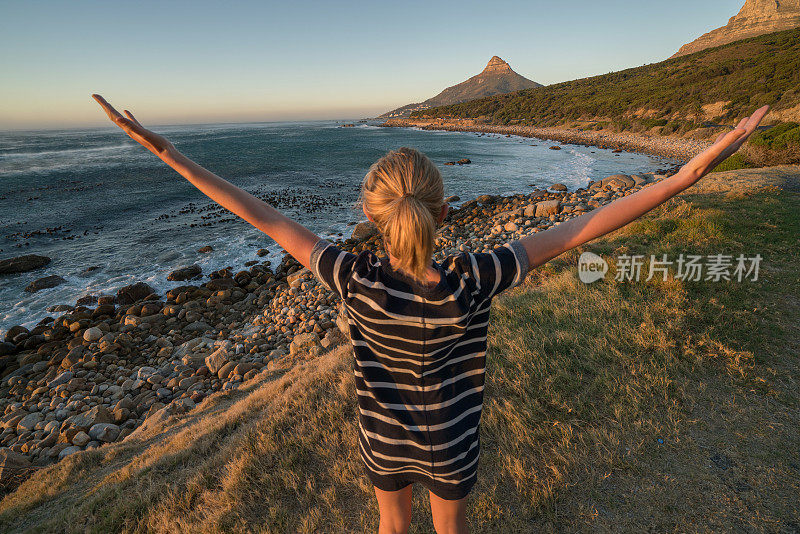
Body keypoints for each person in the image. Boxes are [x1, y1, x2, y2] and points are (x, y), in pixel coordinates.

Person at [91, 94, 768, 534]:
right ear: (446, 214)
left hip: (384, 440)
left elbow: (261, 216)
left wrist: (166, 151)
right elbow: (585, 229)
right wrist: (686, 175)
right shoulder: (476, 277)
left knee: (391, 528)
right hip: (451, 441)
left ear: (368, 216)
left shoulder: (352, 278)